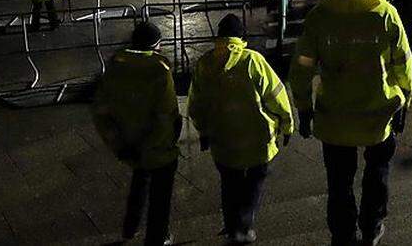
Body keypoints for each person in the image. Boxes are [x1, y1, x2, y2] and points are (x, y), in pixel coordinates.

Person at [290, 0, 412, 246]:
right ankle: (372, 226)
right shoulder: (385, 12)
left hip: (334, 114)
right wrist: (404, 100)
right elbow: (403, 62)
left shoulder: (320, 15)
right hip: (379, 112)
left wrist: (304, 108)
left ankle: (343, 234)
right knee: (377, 171)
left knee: (339, 181)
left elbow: (302, 66)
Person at [188, 14, 294, 245]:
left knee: (229, 182)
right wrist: (287, 125)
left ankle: (231, 224)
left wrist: (203, 131)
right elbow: (277, 96)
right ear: (241, 36)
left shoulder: (204, 64)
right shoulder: (252, 60)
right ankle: (243, 227)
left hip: (222, 139)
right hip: (258, 138)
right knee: (255, 182)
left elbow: (196, 105)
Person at [91, 22, 181, 246]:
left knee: (140, 181)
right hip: (158, 147)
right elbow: (165, 115)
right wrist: (156, 143)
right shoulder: (159, 70)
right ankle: (157, 237)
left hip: (129, 144)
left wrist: (119, 144)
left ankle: (130, 227)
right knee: (161, 195)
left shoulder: (115, 68)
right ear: (156, 45)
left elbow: (101, 113)